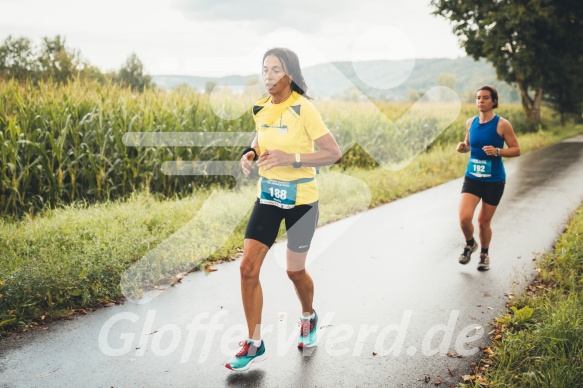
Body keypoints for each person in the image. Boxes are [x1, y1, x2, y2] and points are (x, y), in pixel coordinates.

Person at [225, 47, 342, 371]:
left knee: (294, 271)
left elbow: (334, 153)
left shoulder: (304, 109)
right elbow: (262, 137)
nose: (268, 75)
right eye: (264, 69)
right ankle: (254, 342)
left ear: (290, 74)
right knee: (247, 268)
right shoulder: (261, 108)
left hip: (301, 201)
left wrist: (292, 158)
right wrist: (251, 152)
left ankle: (308, 315)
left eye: (275, 69)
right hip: (269, 197)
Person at [456, 85, 520, 271]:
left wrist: (498, 151)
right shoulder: (470, 123)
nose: (480, 101)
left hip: (494, 181)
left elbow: (516, 149)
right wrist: (462, 147)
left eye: (485, 98)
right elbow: (469, 145)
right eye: (478, 98)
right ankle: (470, 244)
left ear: (494, 101)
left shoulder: (502, 124)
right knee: (464, 218)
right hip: (473, 178)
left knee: (483, 222)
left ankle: (484, 254)